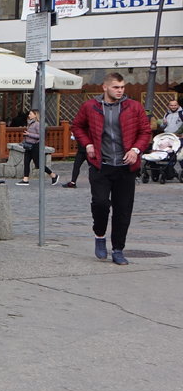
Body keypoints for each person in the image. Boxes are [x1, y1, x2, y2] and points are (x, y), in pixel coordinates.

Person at [71, 72, 152, 265]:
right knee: (100, 203)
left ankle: (118, 249)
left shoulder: (133, 106)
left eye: (122, 87)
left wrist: (135, 149)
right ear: (105, 87)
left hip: (126, 168)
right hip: (101, 165)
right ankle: (100, 235)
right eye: (116, 87)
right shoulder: (90, 106)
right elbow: (77, 126)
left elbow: (145, 131)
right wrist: (87, 144)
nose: (120, 91)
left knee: (123, 210)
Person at [17, 109, 58, 186]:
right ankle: (25, 179)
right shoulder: (30, 123)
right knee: (26, 162)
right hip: (28, 145)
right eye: (29, 114)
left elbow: (40, 136)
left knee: (38, 164)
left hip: (35, 146)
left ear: (35, 115)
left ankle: (53, 175)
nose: (29, 115)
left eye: (30, 114)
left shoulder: (37, 124)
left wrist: (29, 134)